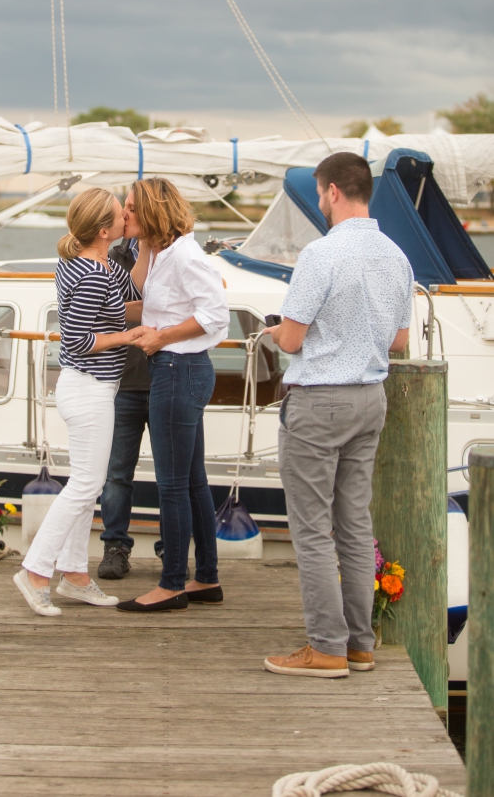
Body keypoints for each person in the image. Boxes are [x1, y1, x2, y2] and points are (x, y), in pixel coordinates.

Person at [262, 152, 412, 678]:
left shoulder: (321, 255)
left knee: (311, 529)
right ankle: (358, 645)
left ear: (330, 193)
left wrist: (275, 331)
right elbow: (398, 340)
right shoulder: (397, 256)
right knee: (353, 526)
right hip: (370, 399)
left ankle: (325, 647)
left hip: (320, 400)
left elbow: (294, 337)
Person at [13, 188, 141, 617]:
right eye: (119, 214)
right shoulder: (91, 273)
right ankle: (34, 571)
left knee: (89, 485)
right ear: (104, 230)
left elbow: (132, 297)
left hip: (86, 388)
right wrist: (126, 337)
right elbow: (77, 340)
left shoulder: (93, 262)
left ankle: (74, 575)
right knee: (86, 485)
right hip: (88, 388)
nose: (127, 215)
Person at [117, 178, 230, 613]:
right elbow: (142, 291)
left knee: (172, 485)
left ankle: (171, 584)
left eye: (130, 208)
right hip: (179, 368)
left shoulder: (185, 255)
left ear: (150, 211)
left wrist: (161, 337)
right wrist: (145, 242)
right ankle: (206, 578)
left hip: (178, 369)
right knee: (194, 480)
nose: (123, 214)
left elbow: (215, 313)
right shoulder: (164, 251)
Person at [96, 230, 152, 581]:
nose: (126, 217)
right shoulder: (111, 259)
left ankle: (172, 551)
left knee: (174, 478)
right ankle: (115, 548)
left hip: (168, 380)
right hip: (124, 383)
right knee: (116, 474)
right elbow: (106, 314)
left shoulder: (176, 255)